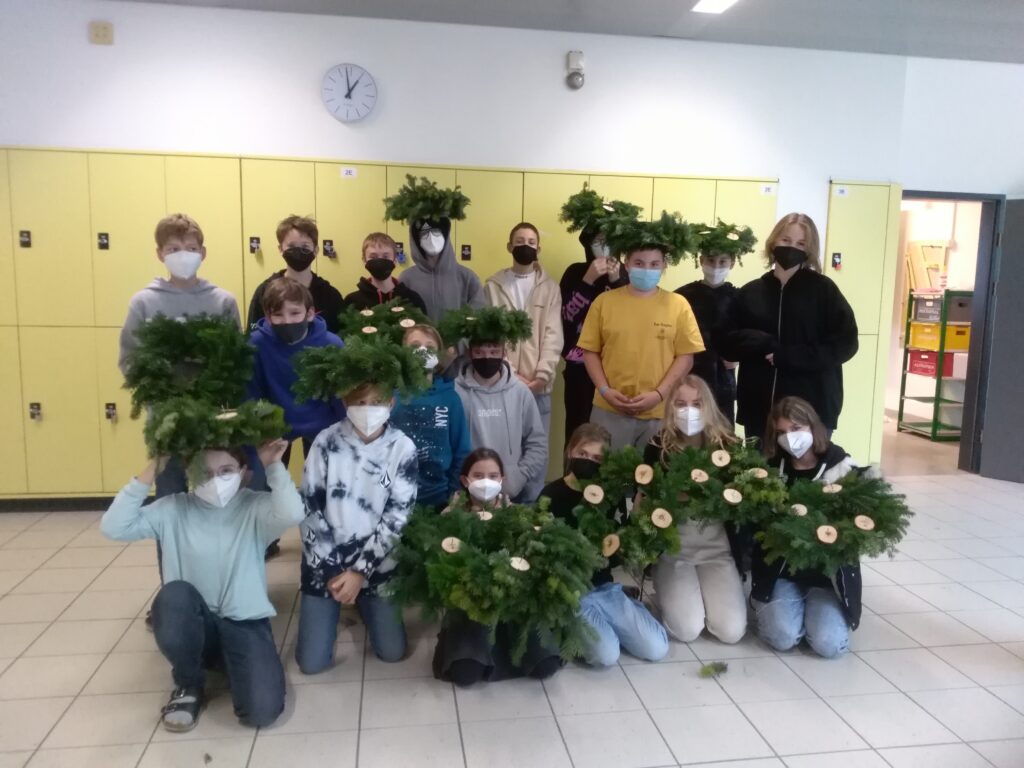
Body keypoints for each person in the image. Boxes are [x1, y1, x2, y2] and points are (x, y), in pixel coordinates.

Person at [100, 439, 301, 732]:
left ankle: (230, 662)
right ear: (190, 475)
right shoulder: (173, 508)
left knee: (261, 711)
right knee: (173, 598)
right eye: (204, 473)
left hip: (242, 620)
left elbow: (293, 513)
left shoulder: (254, 507)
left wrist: (272, 465)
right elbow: (113, 526)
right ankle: (188, 683)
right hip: (196, 620)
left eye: (226, 470)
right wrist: (153, 467)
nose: (215, 480)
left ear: (243, 472)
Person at [297, 366, 419, 673]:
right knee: (311, 663)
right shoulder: (325, 442)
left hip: (378, 565)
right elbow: (309, 509)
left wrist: (359, 573)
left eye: (376, 402)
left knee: (392, 652)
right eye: (359, 402)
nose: (368, 410)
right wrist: (332, 572)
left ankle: (364, 602)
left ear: (391, 403)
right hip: (325, 564)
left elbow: (396, 519)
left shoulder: (402, 447)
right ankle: (344, 598)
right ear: (345, 403)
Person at [119, 213, 241, 498]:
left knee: (215, 491)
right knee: (170, 491)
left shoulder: (222, 301)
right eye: (174, 249)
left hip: (213, 416)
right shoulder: (144, 303)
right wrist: (160, 389)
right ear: (160, 253)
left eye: (191, 248)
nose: (183, 255)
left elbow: (236, 359)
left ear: (203, 253)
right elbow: (131, 359)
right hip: (166, 418)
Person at [719, 213, 858, 445]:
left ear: (809, 249)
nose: (791, 248)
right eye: (785, 240)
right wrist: (758, 342)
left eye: (800, 244)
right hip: (759, 409)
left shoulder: (824, 291)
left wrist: (790, 356)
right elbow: (727, 343)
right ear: (773, 242)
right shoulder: (751, 292)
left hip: (812, 409)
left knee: (805, 468)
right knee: (759, 467)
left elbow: (846, 343)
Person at [541, 423, 669, 666]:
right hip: (572, 591)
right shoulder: (552, 494)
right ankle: (571, 625)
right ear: (570, 452)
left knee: (657, 648)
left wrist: (638, 510)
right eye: (583, 454)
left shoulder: (609, 496)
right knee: (606, 656)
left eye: (597, 458)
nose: (588, 461)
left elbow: (621, 542)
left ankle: (626, 607)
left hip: (603, 586)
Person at [432, 449, 562, 686]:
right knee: (465, 674)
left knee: (546, 665)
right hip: (471, 604)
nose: (486, 482)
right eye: (478, 475)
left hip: (512, 600)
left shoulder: (516, 516)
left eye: (493, 476)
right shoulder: (451, 517)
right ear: (465, 480)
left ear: (502, 480)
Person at [751, 396, 863, 658]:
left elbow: (862, 523)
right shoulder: (770, 470)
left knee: (829, 645)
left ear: (812, 426)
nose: (789, 438)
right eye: (781, 432)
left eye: (796, 428)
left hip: (826, 578)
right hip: (782, 572)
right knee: (782, 637)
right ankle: (791, 610)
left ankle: (816, 610)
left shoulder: (842, 468)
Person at [645, 375, 747, 644]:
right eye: (681, 404)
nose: (688, 411)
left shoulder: (729, 446)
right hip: (675, 553)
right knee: (687, 630)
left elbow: (743, 503)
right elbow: (645, 500)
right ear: (670, 407)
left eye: (696, 403)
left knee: (731, 632)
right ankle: (665, 587)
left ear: (708, 406)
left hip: (718, 552)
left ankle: (709, 591)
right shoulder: (658, 447)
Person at [578, 239, 705, 451]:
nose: (647, 269)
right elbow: (590, 351)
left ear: (664, 265)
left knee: (655, 470)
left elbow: (686, 357)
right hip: (608, 410)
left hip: (659, 413)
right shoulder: (604, 302)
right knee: (604, 468)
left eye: (654, 264)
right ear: (626, 263)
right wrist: (605, 391)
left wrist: (659, 394)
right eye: (639, 263)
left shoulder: (678, 305)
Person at [484, 222, 563, 498]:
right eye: (519, 241)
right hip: (503, 385)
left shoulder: (550, 288)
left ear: (538, 248)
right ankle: (501, 505)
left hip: (539, 388)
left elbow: (553, 334)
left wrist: (542, 376)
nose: (525, 246)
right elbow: (491, 334)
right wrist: (509, 373)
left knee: (535, 451)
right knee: (504, 449)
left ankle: (532, 508)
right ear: (509, 246)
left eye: (531, 242)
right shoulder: (493, 286)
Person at [247, 278, 345, 473]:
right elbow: (251, 393)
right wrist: (259, 430)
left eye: (295, 313)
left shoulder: (331, 344)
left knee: (325, 479)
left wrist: (342, 432)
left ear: (310, 313)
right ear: (267, 316)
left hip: (323, 424)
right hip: (274, 426)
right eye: (278, 315)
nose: (287, 321)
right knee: (270, 481)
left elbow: (340, 394)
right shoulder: (255, 345)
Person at [453, 321, 547, 504]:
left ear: (504, 352)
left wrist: (519, 475)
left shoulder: (520, 392)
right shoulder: (456, 393)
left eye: (493, 352)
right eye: (479, 352)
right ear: (470, 353)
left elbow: (537, 443)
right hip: (466, 493)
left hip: (510, 493)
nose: (487, 358)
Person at [675, 221, 755, 423]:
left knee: (721, 434)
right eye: (711, 260)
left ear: (732, 263)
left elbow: (750, 337)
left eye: (723, 261)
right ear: (701, 260)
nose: (716, 267)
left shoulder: (739, 298)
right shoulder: (682, 296)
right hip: (689, 379)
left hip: (723, 384)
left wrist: (740, 356)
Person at [390, 324, 472, 511]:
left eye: (429, 347)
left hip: (440, 500)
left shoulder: (450, 398)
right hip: (396, 500)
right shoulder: (391, 397)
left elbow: (461, 450)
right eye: (415, 346)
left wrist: (453, 495)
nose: (422, 351)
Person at [560, 228, 628, 445]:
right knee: (578, 427)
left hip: (614, 368)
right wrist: (587, 281)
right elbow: (567, 316)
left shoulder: (627, 274)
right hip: (579, 367)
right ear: (588, 243)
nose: (604, 245)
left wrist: (616, 282)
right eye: (599, 240)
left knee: (611, 432)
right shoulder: (575, 272)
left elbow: (628, 319)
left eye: (610, 240)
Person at [245, 215, 346, 335]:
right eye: (291, 246)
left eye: (305, 246)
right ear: (280, 249)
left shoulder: (330, 296)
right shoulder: (264, 291)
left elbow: (341, 337)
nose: (298, 252)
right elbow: (253, 332)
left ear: (316, 250)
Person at [401, 216, 484, 323]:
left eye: (436, 232)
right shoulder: (407, 278)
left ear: (445, 235)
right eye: (424, 234)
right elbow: (401, 317)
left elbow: (478, 315)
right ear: (417, 241)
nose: (431, 238)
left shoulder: (467, 277)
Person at [343, 232, 427, 313]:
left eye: (386, 256)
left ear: (395, 260)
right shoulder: (352, 302)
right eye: (373, 257)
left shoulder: (412, 300)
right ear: (364, 261)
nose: (379, 261)